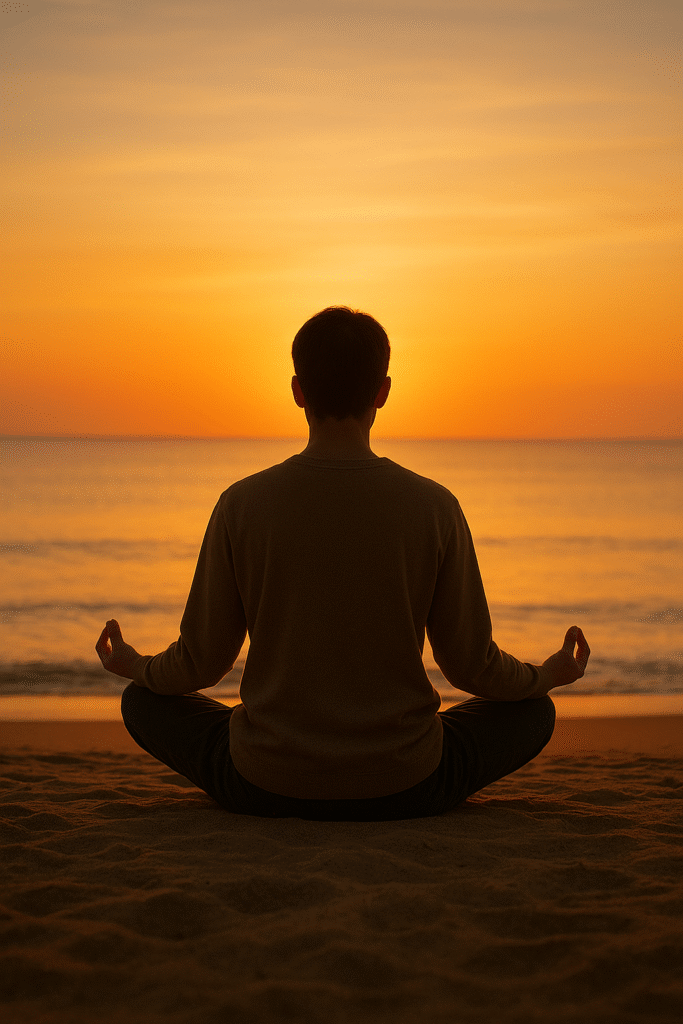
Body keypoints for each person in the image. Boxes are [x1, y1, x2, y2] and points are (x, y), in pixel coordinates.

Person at [96, 305, 590, 821]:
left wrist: (135, 666)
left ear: (297, 390)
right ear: (383, 391)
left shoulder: (241, 504)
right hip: (405, 783)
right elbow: (470, 665)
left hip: (266, 782)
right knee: (533, 713)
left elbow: (200, 662)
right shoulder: (433, 506)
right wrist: (544, 675)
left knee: (142, 701)